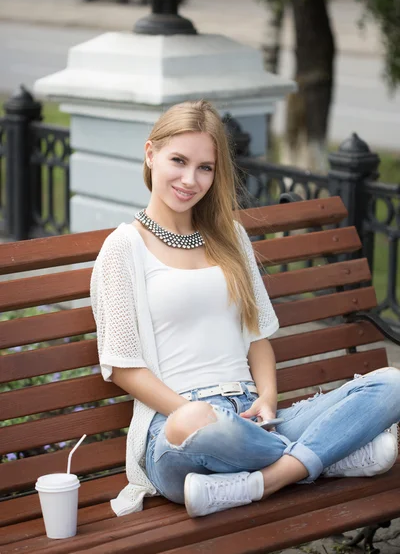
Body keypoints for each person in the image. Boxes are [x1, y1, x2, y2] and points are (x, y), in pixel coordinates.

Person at [90, 100, 400, 518]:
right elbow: (124, 367)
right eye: (178, 161)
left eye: (205, 167)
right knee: (198, 420)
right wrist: (188, 411)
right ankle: (327, 459)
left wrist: (269, 400)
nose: (189, 179)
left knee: (392, 384)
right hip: (179, 430)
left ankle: (265, 480)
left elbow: (257, 340)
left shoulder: (230, 237)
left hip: (254, 420)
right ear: (151, 154)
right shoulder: (123, 248)